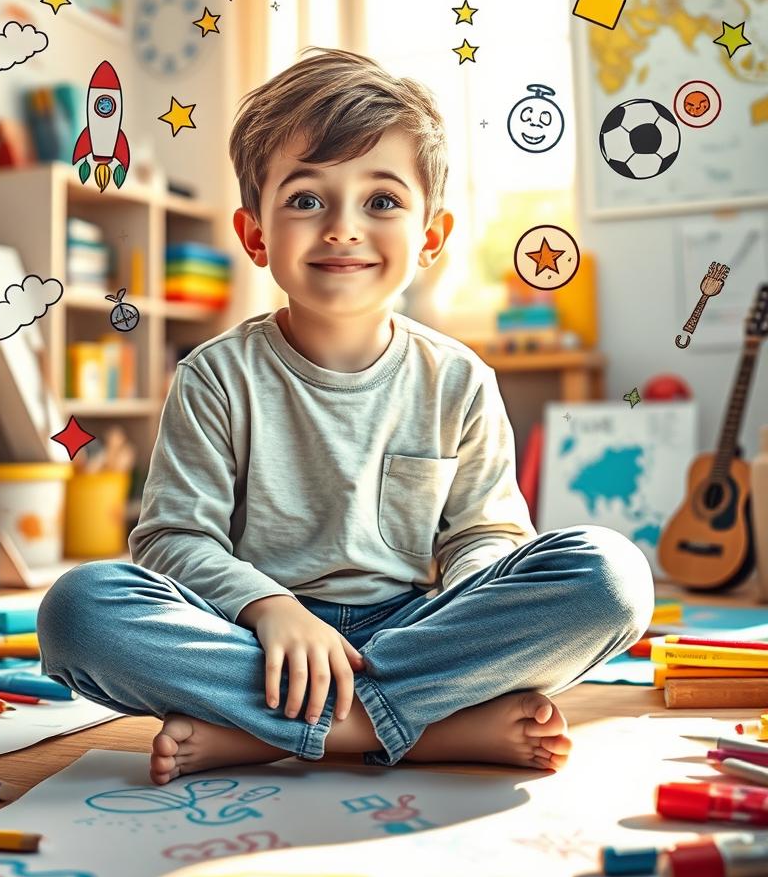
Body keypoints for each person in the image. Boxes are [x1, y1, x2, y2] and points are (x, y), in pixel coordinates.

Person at [38, 47, 654, 784]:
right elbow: (174, 539)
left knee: (612, 577)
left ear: (431, 236)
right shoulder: (212, 377)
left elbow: (485, 537)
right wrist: (268, 607)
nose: (342, 227)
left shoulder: (458, 378)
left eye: (382, 201)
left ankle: (291, 731)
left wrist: (469, 618)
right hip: (255, 639)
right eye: (305, 199)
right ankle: (417, 727)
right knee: (78, 610)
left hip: (416, 629)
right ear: (255, 234)